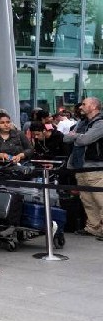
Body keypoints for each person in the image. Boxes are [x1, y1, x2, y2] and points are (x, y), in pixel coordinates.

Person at [63, 97, 103, 239]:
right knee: (87, 200)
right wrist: (78, 136)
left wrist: (76, 136)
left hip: (95, 168)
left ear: (93, 106)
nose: (81, 107)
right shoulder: (81, 122)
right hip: (80, 167)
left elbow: (85, 140)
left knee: (100, 199)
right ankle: (93, 228)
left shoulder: (100, 123)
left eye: (84, 104)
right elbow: (66, 138)